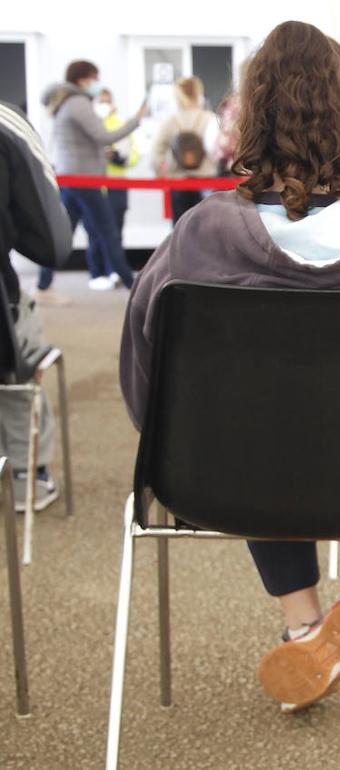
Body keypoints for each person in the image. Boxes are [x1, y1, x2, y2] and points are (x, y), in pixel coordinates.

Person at [119, 20, 340, 713]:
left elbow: (145, 393)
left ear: (249, 124)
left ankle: (304, 622)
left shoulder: (194, 240)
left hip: (227, 479)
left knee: (254, 421)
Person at [0, 100, 72, 510]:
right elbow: (53, 244)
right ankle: (29, 475)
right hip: (3, 318)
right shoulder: (7, 123)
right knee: (19, 351)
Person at [40, 60, 142, 293]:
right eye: (95, 78)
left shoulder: (65, 102)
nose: (97, 83)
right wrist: (135, 121)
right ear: (83, 78)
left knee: (64, 232)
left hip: (71, 178)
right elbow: (103, 136)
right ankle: (133, 286)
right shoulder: (78, 103)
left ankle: (43, 284)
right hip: (85, 180)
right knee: (108, 232)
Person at [151, 76, 220, 223]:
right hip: (206, 179)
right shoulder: (210, 118)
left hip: (178, 180)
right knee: (206, 227)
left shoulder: (171, 120)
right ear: (198, 93)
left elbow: (157, 150)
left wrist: (160, 171)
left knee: (180, 228)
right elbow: (218, 150)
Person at [97, 89, 139, 245]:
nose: (104, 105)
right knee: (96, 231)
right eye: (101, 101)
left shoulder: (120, 124)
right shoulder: (90, 124)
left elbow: (134, 154)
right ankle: (96, 269)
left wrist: (118, 157)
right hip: (95, 184)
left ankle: (113, 268)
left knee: (116, 230)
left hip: (117, 183)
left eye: (107, 101)